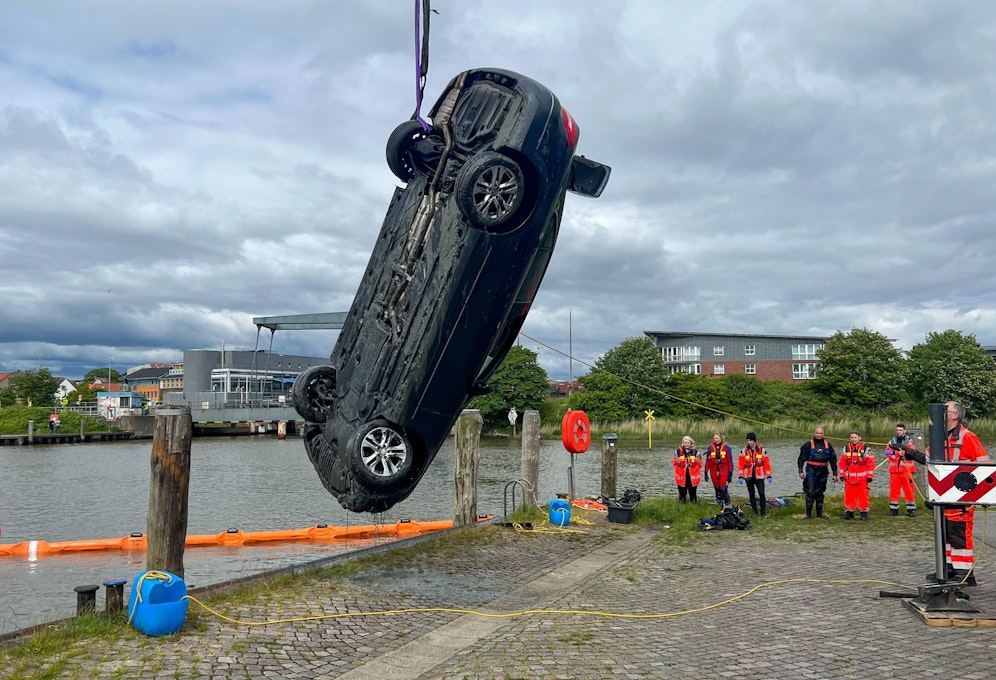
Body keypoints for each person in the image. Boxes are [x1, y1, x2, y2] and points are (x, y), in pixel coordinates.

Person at [908, 401, 991, 586]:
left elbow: (984, 466)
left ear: (955, 416)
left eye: (946, 410)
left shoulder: (967, 437)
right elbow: (929, 460)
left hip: (962, 498)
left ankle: (965, 574)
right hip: (945, 498)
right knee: (945, 535)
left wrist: (978, 494)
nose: (942, 414)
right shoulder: (941, 438)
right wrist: (910, 452)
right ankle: (949, 570)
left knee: (959, 536)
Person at [797, 426, 838, 519]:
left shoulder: (828, 445)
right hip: (811, 471)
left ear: (823, 434)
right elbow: (801, 459)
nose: (819, 435)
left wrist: (835, 474)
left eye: (821, 433)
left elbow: (833, 460)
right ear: (814, 434)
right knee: (810, 492)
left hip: (823, 471)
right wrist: (800, 471)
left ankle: (819, 514)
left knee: (820, 493)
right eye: (817, 433)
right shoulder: (808, 445)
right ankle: (808, 515)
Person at [839, 430, 875, 520]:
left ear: (859, 438)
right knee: (849, 496)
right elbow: (842, 463)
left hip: (862, 478)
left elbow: (871, 463)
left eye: (855, 437)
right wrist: (842, 474)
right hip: (849, 477)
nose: (854, 439)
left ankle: (864, 513)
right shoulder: (846, 448)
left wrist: (870, 476)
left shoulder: (866, 449)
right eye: (852, 437)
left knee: (863, 495)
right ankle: (849, 512)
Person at [885, 423, 916, 516]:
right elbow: (887, 451)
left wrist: (895, 453)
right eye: (897, 430)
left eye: (900, 430)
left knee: (909, 490)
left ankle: (911, 510)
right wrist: (897, 454)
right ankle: (894, 510)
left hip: (906, 470)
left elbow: (909, 451)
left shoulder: (909, 441)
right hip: (894, 470)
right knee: (894, 490)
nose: (898, 432)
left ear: (904, 431)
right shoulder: (892, 441)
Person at [738, 433, 772, 516]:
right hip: (748, 477)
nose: (748, 442)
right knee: (751, 494)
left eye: (750, 440)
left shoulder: (762, 451)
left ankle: (763, 513)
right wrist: (740, 476)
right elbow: (740, 465)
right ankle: (755, 512)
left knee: (762, 494)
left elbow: (767, 464)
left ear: (754, 441)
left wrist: (769, 476)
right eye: (747, 440)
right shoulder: (743, 451)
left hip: (759, 476)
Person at [704, 432, 734, 508]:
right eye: (715, 438)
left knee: (723, 488)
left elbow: (730, 461)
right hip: (713, 470)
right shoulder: (710, 448)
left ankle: (728, 504)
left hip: (724, 469)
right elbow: (708, 461)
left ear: (721, 438)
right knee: (717, 488)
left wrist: (730, 473)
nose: (716, 440)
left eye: (717, 438)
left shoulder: (727, 448)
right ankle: (719, 503)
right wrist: (705, 472)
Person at [672, 435, 702, 503]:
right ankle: (682, 504)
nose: (686, 444)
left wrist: (692, 466)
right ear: (682, 443)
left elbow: (700, 463)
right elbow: (674, 462)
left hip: (692, 476)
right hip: (681, 476)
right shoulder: (677, 452)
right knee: (682, 492)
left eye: (688, 443)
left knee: (693, 492)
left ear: (691, 443)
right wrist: (681, 464)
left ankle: (693, 504)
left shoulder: (696, 452)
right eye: (685, 443)